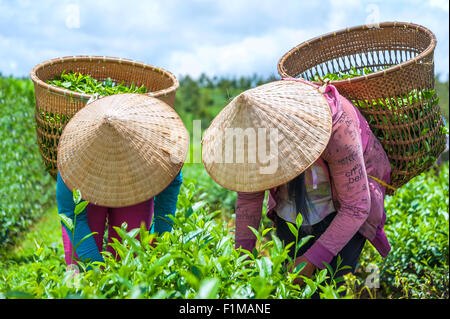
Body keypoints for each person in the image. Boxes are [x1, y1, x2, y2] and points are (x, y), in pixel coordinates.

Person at [201, 79, 392, 286]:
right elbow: (249, 198)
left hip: (341, 214)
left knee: (330, 286)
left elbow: (355, 207)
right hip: (290, 213)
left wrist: (311, 261)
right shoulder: (253, 133)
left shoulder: (338, 127)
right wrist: (242, 260)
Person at [56, 93, 189, 267]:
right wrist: (96, 269)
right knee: (80, 267)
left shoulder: (164, 151)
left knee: (130, 256)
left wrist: (156, 250)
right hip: (89, 190)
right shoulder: (74, 154)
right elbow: (72, 216)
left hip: (136, 185)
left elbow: (165, 206)